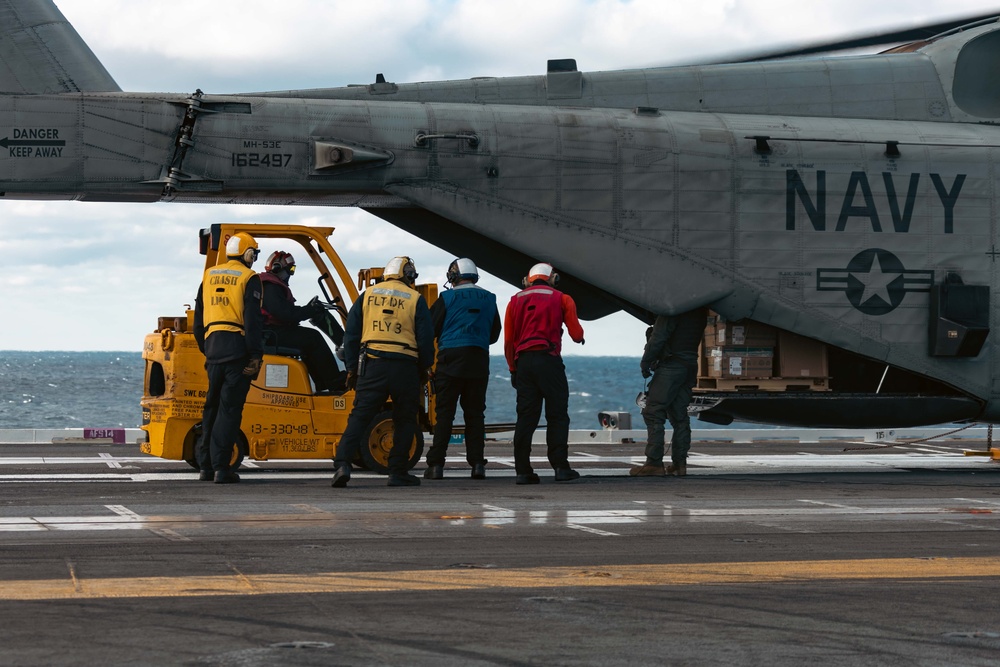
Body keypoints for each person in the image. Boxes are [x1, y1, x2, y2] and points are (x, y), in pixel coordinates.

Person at [331, 256, 435, 488]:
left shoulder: (368, 295)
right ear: (407, 274)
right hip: (405, 366)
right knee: (406, 419)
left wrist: (351, 369)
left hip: (372, 364)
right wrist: (424, 369)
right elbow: (426, 340)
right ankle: (397, 471)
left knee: (359, 416)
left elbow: (351, 336)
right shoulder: (415, 298)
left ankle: (342, 464)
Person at [503, 262, 585, 484]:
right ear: (553, 279)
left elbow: (509, 341)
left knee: (526, 419)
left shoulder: (515, 300)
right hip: (549, 362)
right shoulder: (562, 298)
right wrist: (579, 337)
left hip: (524, 364)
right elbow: (577, 334)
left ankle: (522, 471)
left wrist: (513, 369)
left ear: (528, 279)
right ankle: (560, 467)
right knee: (557, 415)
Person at [193, 231, 264, 484]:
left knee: (210, 408)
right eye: (254, 253)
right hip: (237, 350)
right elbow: (253, 321)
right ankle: (222, 468)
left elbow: (199, 321)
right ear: (247, 254)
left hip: (213, 349)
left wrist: (207, 348)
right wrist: (255, 354)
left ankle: (205, 467)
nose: (254, 258)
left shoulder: (208, 276)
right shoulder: (249, 278)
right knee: (229, 410)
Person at [423, 258, 501, 481]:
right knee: (475, 415)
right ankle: (477, 464)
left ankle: (436, 465)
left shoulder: (447, 297)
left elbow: (430, 328)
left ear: (453, 276)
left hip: (450, 361)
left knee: (445, 415)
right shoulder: (489, 298)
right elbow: (494, 334)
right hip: (478, 361)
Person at [630, 308, 709, 478]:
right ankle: (679, 464)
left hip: (671, 366)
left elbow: (658, 338)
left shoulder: (672, 308)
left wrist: (646, 362)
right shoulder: (699, 310)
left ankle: (653, 463)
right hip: (689, 365)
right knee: (679, 415)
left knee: (653, 412)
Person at [260, 250, 343, 393]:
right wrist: (308, 311)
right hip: (271, 334)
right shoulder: (270, 287)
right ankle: (335, 381)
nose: (291, 273)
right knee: (313, 338)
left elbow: (285, 310)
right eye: (290, 269)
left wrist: (308, 310)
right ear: (277, 268)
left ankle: (323, 384)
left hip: (272, 332)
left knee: (307, 340)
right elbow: (285, 313)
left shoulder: (271, 286)